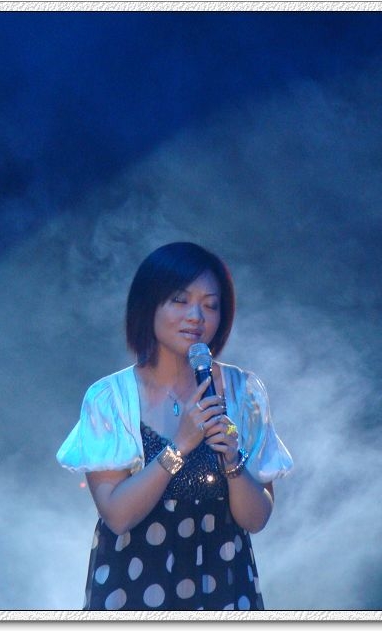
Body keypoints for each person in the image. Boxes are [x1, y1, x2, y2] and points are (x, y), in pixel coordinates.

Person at [56, 242, 293, 611]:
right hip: (134, 584)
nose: (196, 316)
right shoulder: (110, 397)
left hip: (222, 581)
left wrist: (232, 461)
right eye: (180, 301)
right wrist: (180, 445)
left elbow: (256, 518)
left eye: (210, 305)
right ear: (149, 305)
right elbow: (117, 515)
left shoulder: (244, 391)